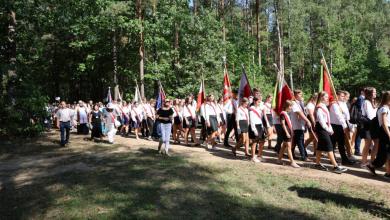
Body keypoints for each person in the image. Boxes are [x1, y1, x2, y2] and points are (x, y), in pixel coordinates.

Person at [313, 91, 348, 174]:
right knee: (329, 147)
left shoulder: (324, 106)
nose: (327, 98)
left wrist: (330, 128)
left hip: (325, 127)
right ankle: (335, 166)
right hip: (321, 128)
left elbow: (327, 119)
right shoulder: (319, 107)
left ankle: (317, 164)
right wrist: (328, 129)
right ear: (321, 98)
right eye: (326, 97)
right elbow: (321, 121)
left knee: (320, 146)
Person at [366, 91, 390, 179]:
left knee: (387, 153)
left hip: (386, 130)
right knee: (383, 154)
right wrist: (389, 134)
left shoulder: (386, 108)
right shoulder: (384, 109)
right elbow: (384, 123)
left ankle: (388, 172)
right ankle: (371, 165)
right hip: (385, 131)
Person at [329, 91, 355, 165]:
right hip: (335, 125)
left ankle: (344, 159)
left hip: (341, 125)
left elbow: (347, 115)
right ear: (336, 96)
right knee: (333, 143)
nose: (343, 97)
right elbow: (339, 116)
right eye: (342, 96)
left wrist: (348, 124)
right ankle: (332, 159)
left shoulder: (343, 104)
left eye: (344, 96)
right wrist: (345, 126)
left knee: (341, 143)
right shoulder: (334, 104)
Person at [291, 90, 312, 161]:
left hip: (301, 125)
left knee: (296, 141)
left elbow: (303, 111)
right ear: (295, 95)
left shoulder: (300, 103)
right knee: (300, 141)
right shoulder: (293, 103)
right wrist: (307, 120)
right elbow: (299, 113)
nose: (301, 96)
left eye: (301, 94)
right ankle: (304, 156)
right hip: (296, 125)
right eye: (299, 94)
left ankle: (291, 154)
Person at [277, 100, 300, 168]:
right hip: (286, 132)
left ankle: (279, 159)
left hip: (288, 131)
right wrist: (287, 133)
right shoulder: (282, 113)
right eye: (290, 106)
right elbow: (283, 124)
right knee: (289, 147)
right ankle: (292, 162)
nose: (291, 108)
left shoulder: (286, 113)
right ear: (287, 106)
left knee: (284, 146)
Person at [361, 87, 378, 167]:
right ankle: (364, 162)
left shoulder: (373, 102)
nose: (375, 93)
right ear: (369, 93)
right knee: (367, 144)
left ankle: (372, 161)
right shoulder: (366, 102)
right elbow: (370, 116)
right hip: (368, 126)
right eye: (374, 92)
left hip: (372, 125)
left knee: (376, 143)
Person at [249, 97, 268, 162]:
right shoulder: (252, 109)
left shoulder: (259, 108)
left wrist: (262, 126)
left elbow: (260, 118)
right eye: (258, 102)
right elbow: (252, 120)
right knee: (254, 142)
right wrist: (254, 130)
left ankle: (259, 156)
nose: (259, 103)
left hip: (260, 125)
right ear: (254, 101)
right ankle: (253, 157)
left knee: (262, 141)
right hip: (255, 126)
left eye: (260, 102)